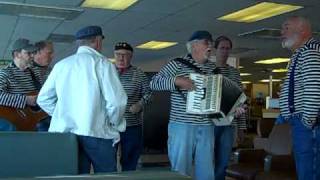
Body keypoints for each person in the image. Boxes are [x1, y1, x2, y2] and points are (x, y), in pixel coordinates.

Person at [37, 25, 127, 174]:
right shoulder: (103, 64)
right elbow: (117, 102)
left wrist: (64, 113)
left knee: (74, 175)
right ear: (98, 41)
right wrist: (113, 122)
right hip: (97, 133)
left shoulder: (61, 65)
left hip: (66, 134)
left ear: (79, 43)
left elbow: (43, 99)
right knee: (106, 175)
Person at [150, 30, 215, 180]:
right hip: (182, 124)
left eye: (211, 42)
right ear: (194, 46)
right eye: (206, 42)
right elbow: (154, 83)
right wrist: (177, 81)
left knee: (207, 170)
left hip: (207, 125)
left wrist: (233, 108)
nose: (210, 45)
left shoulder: (213, 69)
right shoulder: (177, 64)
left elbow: (219, 96)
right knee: (181, 168)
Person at [278, 16, 320, 180]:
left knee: (308, 172)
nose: (282, 33)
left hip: (307, 125)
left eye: (286, 28)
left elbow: (314, 91)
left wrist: (307, 122)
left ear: (302, 30)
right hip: (302, 123)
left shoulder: (309, 52)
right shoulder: (300, 53)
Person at [113, 42, 152, 171]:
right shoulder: (108, 72)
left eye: (125, 55)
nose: (121, 58)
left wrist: (140, 104)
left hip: (131, 125)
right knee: (108, 160)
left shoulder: (139, 73)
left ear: (131, 57)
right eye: (118, 55)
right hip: (110, 125)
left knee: (129, 161)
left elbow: (149, 93)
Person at [213, 36, 247, 180]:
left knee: (224, 161)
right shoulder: (208, 69)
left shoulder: (234, 73)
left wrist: (241, 127)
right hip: (210, 123)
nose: (225, 51)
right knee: (206, 160)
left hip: (229, 123)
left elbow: (240, 101)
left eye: (228, 48)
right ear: (215, 49)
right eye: (222, 48)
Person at [0, 38, 44, 131]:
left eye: (33, 52)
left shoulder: (35, 72)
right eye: (28, 53)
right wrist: (25, 100)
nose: (32, 55)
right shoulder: (5, 73)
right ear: (17, 54)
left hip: (35, 118)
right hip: (15, 121)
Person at [33, 40, 54, 131]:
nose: (52, 56)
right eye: (49, 53)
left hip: (52, 116)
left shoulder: (52, 70)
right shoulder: (24, 70)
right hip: (37, 119)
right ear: (37, 52)